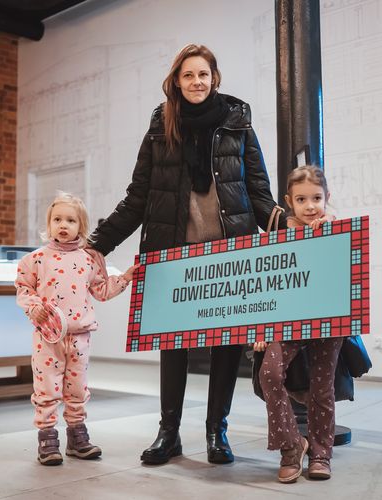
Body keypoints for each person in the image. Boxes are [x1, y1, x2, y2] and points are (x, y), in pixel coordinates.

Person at [88, 43, 284, 465]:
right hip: (173, 255)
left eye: (203, 74)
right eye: (188, 75)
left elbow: (259, 194)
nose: (197, 82)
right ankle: (169, 432)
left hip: (229, 254)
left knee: (227, 345)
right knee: (172, 345)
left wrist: (295, 229)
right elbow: (138, 199)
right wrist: (95, 245)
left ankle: (217, 431)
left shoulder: (238, 125)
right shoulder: (160, 129)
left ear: (215, 78)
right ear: (176, 81)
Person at [15, 192, 138, 466]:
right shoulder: (36, 259)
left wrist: (125, 278)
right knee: (47, 387)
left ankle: (77, 437)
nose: (63, 224)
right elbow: (24, 288)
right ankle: (47, 438)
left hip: (80, 337)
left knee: (77, 388)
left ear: (81, 226)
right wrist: (33, 307)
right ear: (49, 224)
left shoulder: (88, 259)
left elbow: (101, 291)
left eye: (70, 220)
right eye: (57, 219)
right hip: (48, 337)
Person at [253, 165, 343, 483]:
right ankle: (292, 446)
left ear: (326, 197)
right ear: (289, 201)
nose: (310, 206)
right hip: (287, 320)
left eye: (316, 198)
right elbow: (267, 283)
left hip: (328, 321)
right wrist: (262, 327)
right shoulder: (277, 236)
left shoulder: (336, 230)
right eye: (302, 199)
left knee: (322, 388)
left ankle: (320, 453)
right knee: (269, 374)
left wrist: (332, 232)